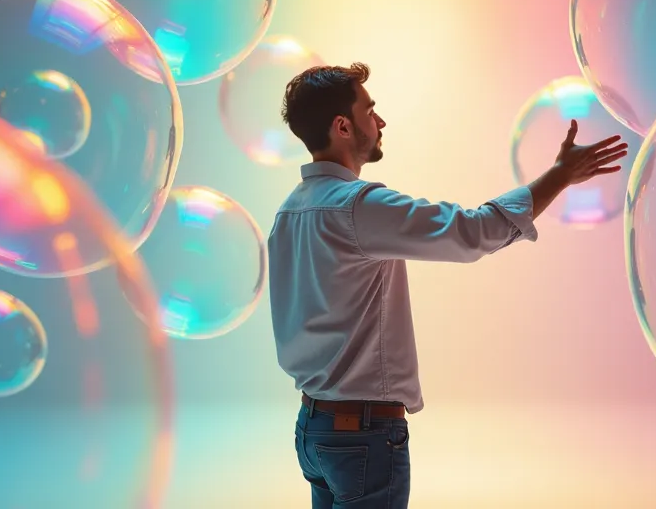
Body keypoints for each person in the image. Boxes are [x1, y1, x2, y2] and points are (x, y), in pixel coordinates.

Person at [269, 63, 629, 508]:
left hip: (313, 429)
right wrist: (559, 175)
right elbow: (473, 232)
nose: (380, 122)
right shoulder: (359, 207)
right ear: (343, 126)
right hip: (362, 437)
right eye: (370, 110)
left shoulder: (289, 211)